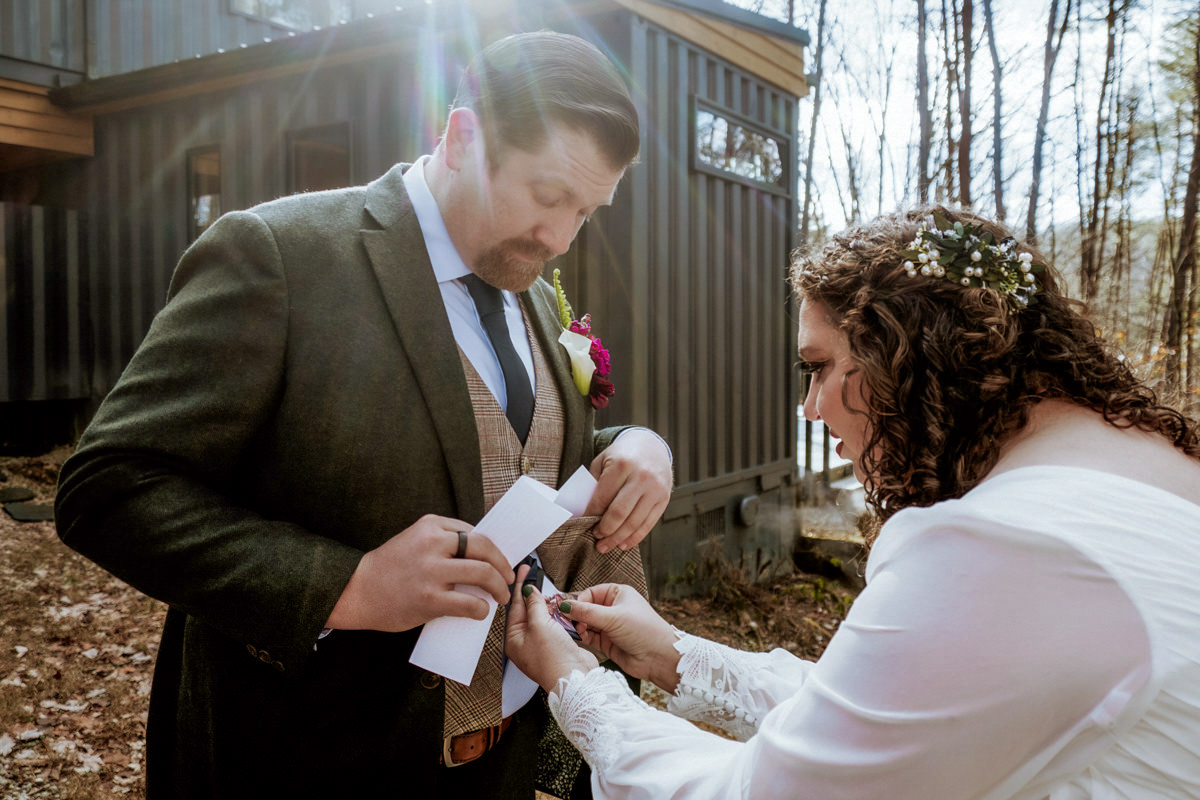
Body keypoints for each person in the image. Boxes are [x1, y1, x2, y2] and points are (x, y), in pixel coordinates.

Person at [54, 31, 672, 799]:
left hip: (498, 767)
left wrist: (638, 445)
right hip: (308, 760)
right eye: (547, 195)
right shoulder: (278, 255)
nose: (558, 238)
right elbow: (108, 485)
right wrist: (348, 584)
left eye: (586, 210)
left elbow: (517, 448)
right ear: (461, 137)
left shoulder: (537, 294)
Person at [506, 205, 1200, 798]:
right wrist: (672, 654)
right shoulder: (1143, 461)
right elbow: (891, 717)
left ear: (915, 354)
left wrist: (576, 684)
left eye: (818, 369)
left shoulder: (1008, 546)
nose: (809, 408)